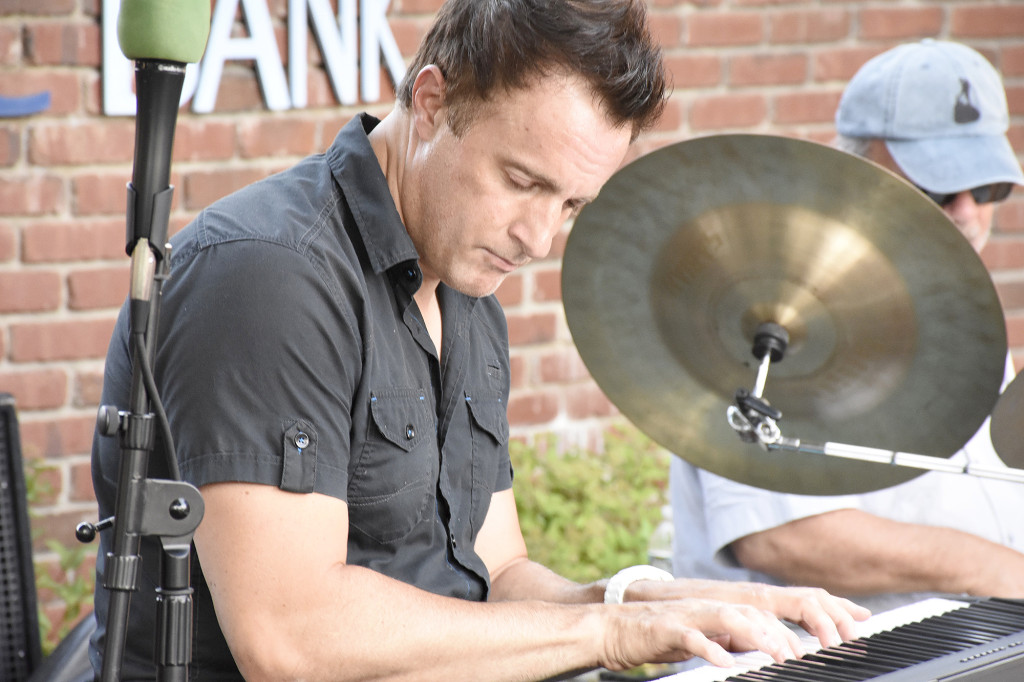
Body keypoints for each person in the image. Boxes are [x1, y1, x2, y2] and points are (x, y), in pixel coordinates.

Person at [88, 1, 869, 680]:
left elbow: (497, 576)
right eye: (524, 182)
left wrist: (670, 602)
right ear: (432, 101)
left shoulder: (465, 286)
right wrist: (611, 633)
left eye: (571, 205)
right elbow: (290, 638)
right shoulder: (270, 276)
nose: (538, 237)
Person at [670, 39, 1024, 617]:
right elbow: (783, 537)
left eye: (985, 187)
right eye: (938, 184)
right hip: (817, 658)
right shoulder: (770, 317)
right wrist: (1002, 570)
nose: (967, 210)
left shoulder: (968, 310)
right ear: (852, 172)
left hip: (977, 639)